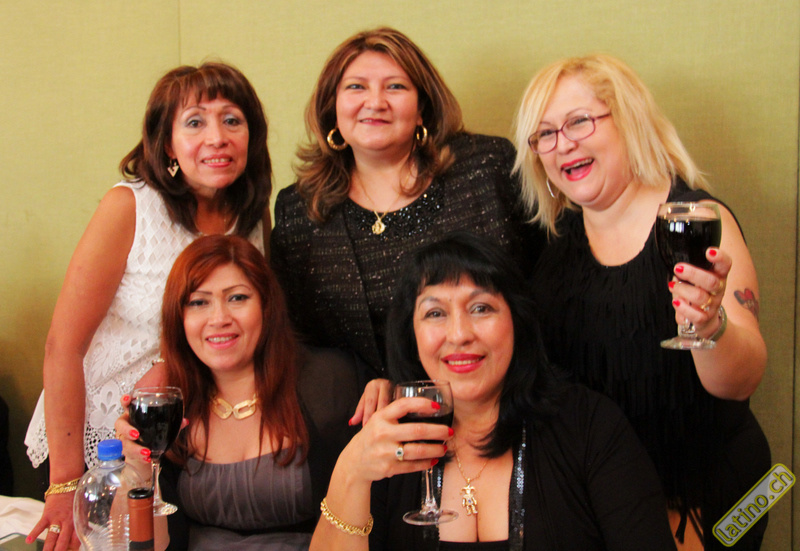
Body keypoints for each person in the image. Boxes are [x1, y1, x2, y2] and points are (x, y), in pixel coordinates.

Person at [512, 54, 769, 550]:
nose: (562, 143)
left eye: (579, 121)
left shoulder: (694, 221)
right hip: (610, 503)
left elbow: (742, 380)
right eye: (544, 134)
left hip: (718, 497)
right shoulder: (554, 247)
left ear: (628, 120)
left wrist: (710, 326)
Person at [25, 62, 272, 550]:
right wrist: (66, 482)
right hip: (97, 443)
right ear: (167, 145)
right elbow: (63, 346)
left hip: (186, 440)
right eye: (195, 122)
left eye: (232, 120)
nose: (217, 137)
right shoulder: (130, 207)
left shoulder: (252, 216)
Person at [311, 232, 677, 551]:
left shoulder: (591, 427)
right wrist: (350, 472)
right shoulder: (385, 441)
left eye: (481, 308)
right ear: (411, 334)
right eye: (435, 313)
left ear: (517, 320)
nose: (459, 334)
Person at [271, 27, 543, 381]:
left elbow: (543, 282)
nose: (375, 102)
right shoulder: (298, 209)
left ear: (421, 109)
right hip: (366, 404)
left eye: (395, 86)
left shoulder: (486, 167)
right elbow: (300, 341)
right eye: (356, 87)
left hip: (506, 390)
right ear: (332, 108)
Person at [116, 235, 359, 550]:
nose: (219, 319)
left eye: (237, 298)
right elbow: (153, 545)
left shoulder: (327, 382)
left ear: (266, 306)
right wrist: (138, 469)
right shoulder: (172, 405)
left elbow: (368, 517)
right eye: (199, 302)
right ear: (179, 318)